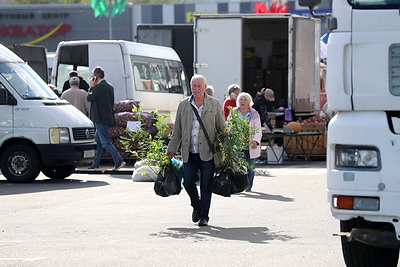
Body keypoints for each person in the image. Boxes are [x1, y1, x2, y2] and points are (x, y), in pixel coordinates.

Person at [166, 74, 225, 227]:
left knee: (206, 186)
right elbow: (177, 130)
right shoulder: (184, 105)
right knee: (188, 182)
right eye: (194, 86)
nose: (196, 89)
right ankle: (197, 206)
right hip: (189, 152)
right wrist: (171, 149)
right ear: (191, 87)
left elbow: (222, 129)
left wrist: (227, 148)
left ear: (205, 87)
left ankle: (204, 217)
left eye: (199, 86)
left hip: (208, 153)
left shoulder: (214, 104)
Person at [87, 66, 126, 171]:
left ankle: (118, 160)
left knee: (105, 142)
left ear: (95, 77)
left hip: (100, 118)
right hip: (107, 117)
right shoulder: (109, 86)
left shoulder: (98, 87)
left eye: (92, 76)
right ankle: (95, 163)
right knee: (98, 141)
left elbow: (89, 98)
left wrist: (91, 87)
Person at [233, 92, 262, 192]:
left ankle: (248, 186)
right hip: (237, 144)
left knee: (250, 167)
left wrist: (255, 141)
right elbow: (228, 126)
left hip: (250, 145)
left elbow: (258, 129)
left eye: (245, 100)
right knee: (238, 167)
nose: (242, 101)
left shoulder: (254, 114)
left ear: (249, 102)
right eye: (241, 99)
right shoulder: (234, 113)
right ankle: (239, 185)